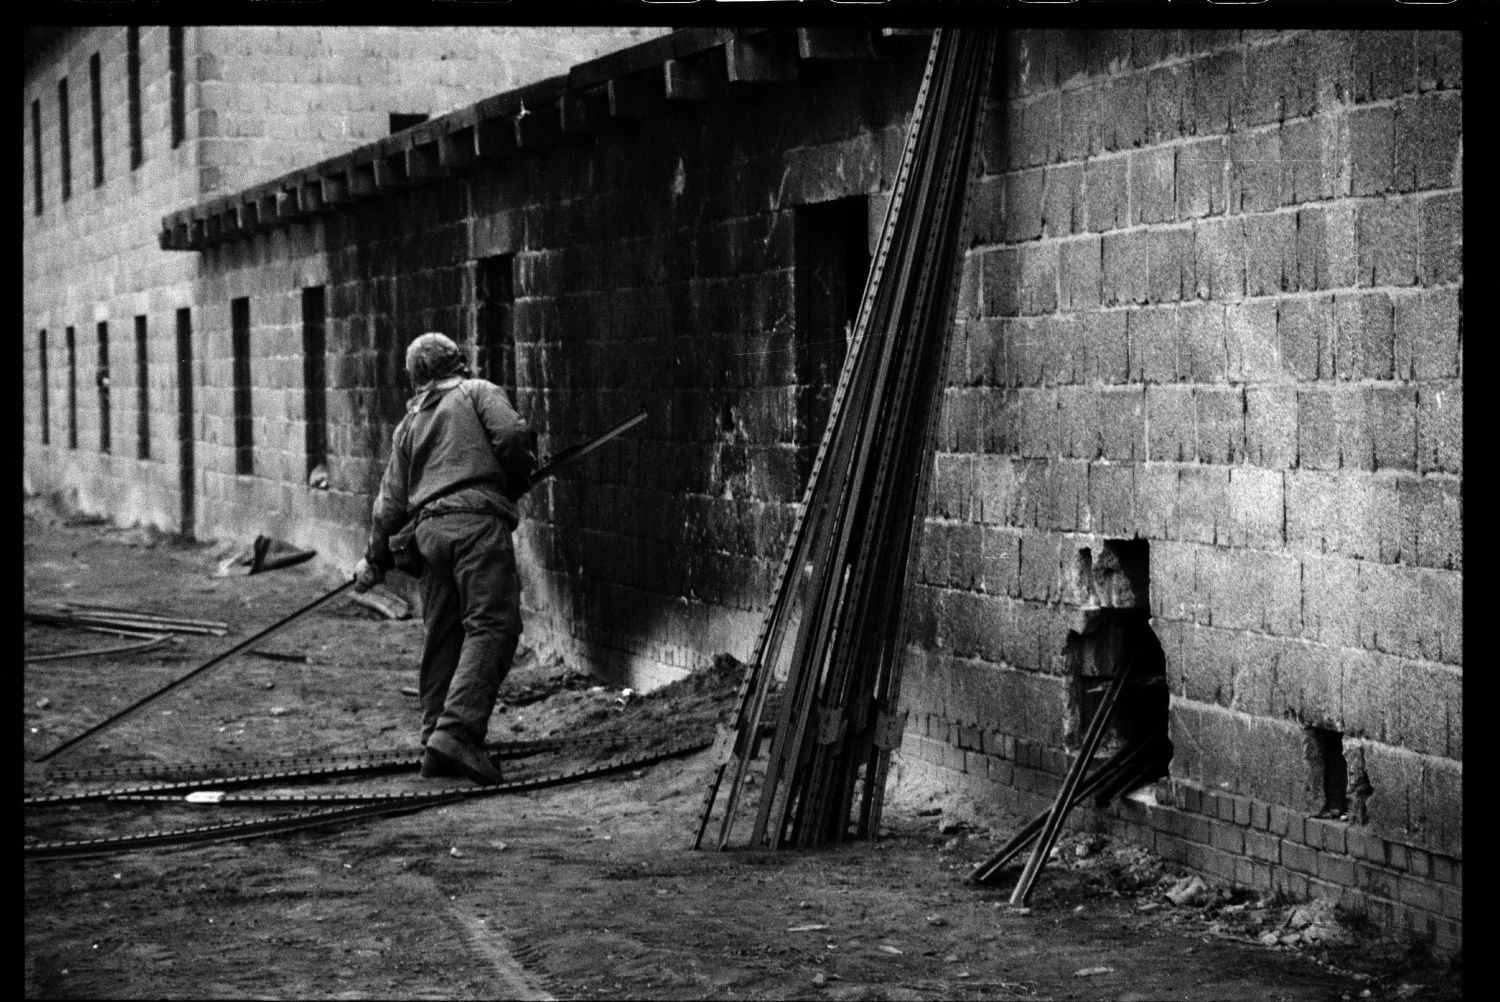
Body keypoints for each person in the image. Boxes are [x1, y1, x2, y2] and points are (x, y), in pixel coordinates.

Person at [353, 332, 535, 785]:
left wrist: (374, 560)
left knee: (444, 633)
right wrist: (516, 477)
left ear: (415, 378)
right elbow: (512, 436)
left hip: (428, 535)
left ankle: (435, 738)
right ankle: (457, 735)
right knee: (493, 623)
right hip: (476, 526)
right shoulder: (477, 392)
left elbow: (389, 504)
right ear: (459, 363)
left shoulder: (409, 423)